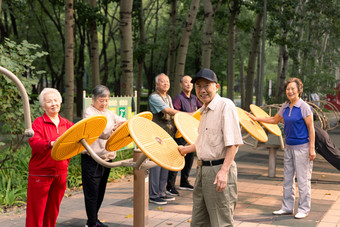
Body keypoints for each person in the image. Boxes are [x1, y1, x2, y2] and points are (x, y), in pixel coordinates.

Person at [178, 68, 243, 226]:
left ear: (217, 86)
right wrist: (184, 149)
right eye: (198, 86)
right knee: (199, 221)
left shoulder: (225, 105)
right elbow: (203, 142)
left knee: (221, 222)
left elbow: (233, 142)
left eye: (206, 85)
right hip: (202, 171)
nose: (202, 90)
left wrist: (223, 171)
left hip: (219, 171)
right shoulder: (204, 110)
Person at [247, 77, 316, 219]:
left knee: (303, 181)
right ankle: (287, 207)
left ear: (299, 90)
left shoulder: (304, 107)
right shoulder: (285, 107)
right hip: (289, 147)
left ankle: (303, 209)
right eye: (287, 89)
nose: (290, 91)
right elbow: (273, 120)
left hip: (302, 148)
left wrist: (312, 148)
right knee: (287, 179)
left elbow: (311, 129)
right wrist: (256, 119)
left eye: (292, 89)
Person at [27, 88, 74, 227]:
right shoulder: (38, 123)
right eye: (49, 101)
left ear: (60, 102)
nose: (53, 103)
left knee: (53, 212)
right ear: (43, 106)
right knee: (36, 213)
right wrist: (51, 143)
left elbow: (77, 139)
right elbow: (34, 143)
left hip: (60, 173)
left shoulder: (66, 123)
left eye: (55, 100)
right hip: (40, 174)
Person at [81, 85, 126, 227]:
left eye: (106, 100)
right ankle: (92, 222)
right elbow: (100, 129)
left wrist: (120, 125)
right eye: (101, 100)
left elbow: (123, 121)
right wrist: (113, 128)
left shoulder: (108, 112)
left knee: (100, 191)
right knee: (92, 192)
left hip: (106, 158)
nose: (104, 103)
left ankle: (93, 220)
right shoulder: (89, 112)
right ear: (93, 99)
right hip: (92, 158)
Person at [148, 73, 181, 205]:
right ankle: (153, 194)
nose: (165, 83)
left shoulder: (168, 97)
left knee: (165, 163)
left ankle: (161, 192)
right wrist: (187, 115)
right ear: (156, 84)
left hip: (168, 135)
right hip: (157, 134)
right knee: (156, 165)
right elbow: (170, 111)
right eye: (162, 82)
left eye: (167, 81)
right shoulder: (154, 97)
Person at [166, 75, 202, 195]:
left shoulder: (194, 98)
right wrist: (189, 115)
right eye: (185, 82)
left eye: (190, 83)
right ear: (181, 84)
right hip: (180, 133)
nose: (188, 84)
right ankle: (170, 185)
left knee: (190, 157)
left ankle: (184, 182)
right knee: (178, 157)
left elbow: (201, 110)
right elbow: (176, 115)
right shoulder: (178, 98)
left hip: (191, 133)